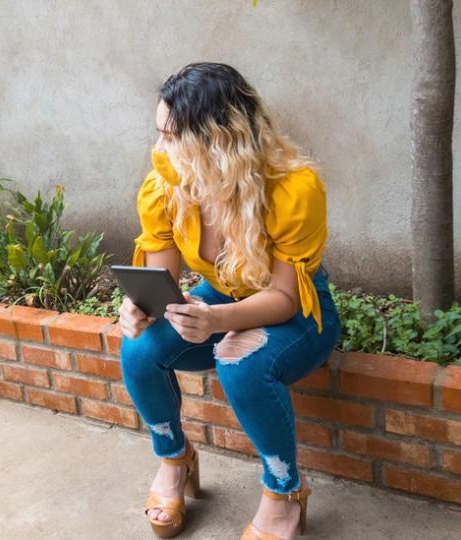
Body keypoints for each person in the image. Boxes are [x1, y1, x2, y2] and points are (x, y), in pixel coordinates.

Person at [119, 63, 341, 539]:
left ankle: (284, 491)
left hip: (298, 314)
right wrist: (141, 306)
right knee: (138, 346)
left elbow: (283, 297)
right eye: (158, 133)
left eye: (171, 136)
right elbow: (162, 276)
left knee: (236, 358)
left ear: (217, 138)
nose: (159, 149)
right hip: (220, 299)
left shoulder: (293, 189)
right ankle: (174, 460)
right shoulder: (168, 183)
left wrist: (217, 320)